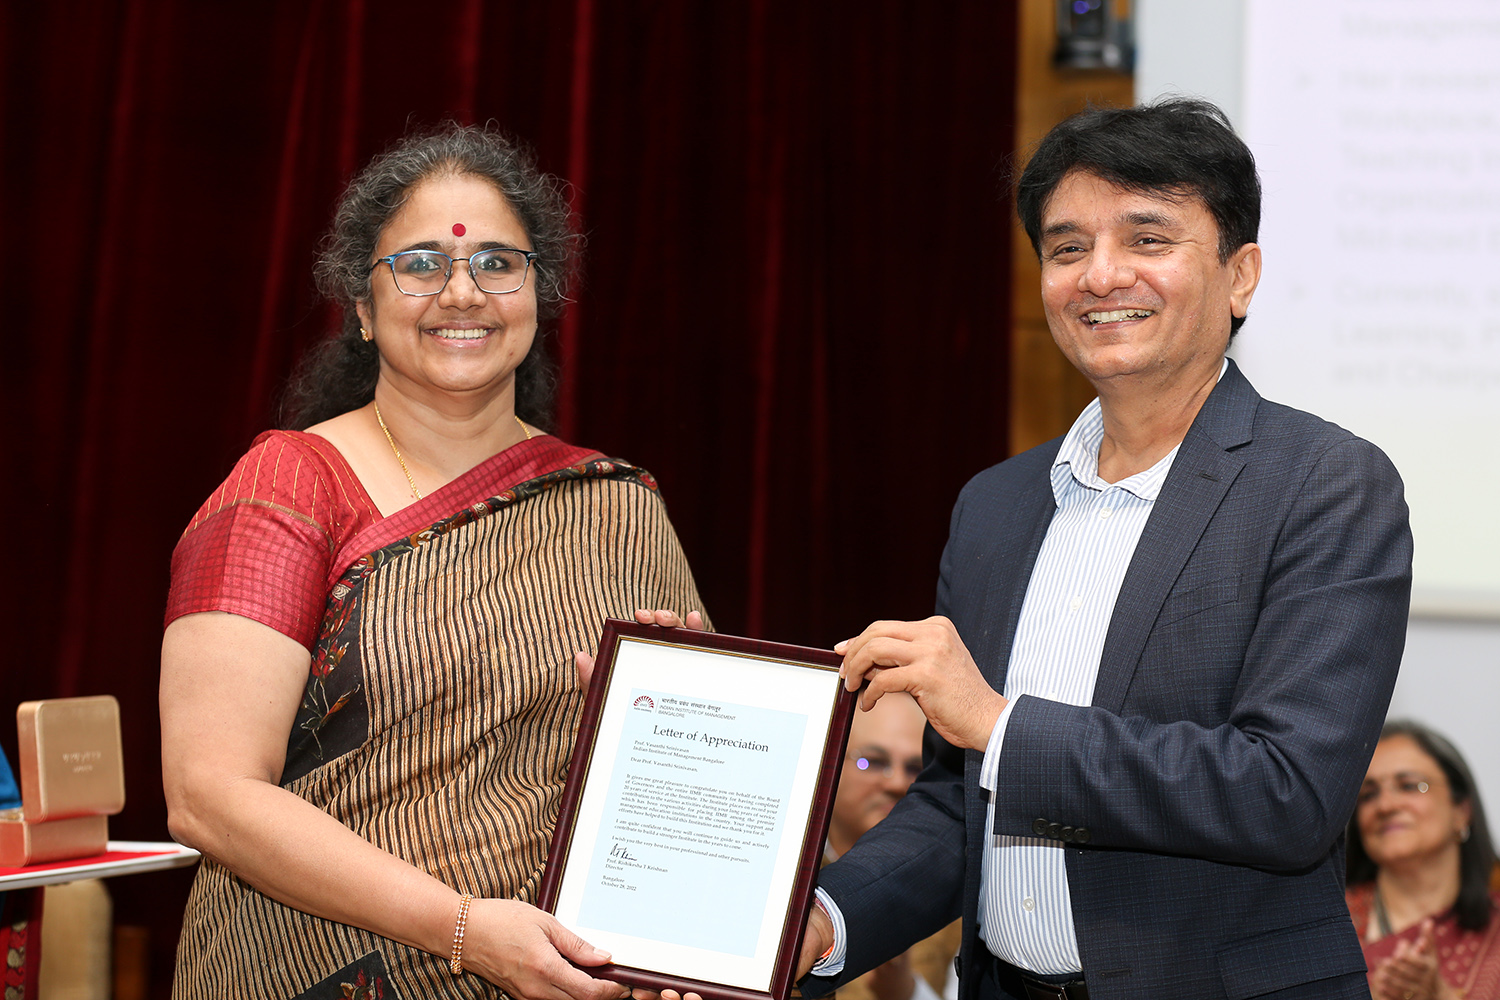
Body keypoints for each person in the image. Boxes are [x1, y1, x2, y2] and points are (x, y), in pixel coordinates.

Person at [795, 98, 1414, 1000]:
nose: (1100, 275)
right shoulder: (997, 503)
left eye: (1148, 238)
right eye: (1067, 247)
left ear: (1240, 277)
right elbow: (961, 796)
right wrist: (830, 918)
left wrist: (1000, 727)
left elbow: (1286, 791)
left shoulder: (1325, 484)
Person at [160, 124, 706, 1000]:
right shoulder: (290, 486)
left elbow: (686, 783)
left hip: (567, 973)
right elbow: (209, 792)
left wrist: (666, 713)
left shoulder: (618, 503)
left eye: (499, 262)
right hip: (311, 967)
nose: (463, 291)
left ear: (540, 295)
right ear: (364, 307)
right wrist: (462, 928)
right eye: (420, 264)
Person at [1347, 721, 1500, 1000]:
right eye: (1369, 795)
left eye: (1408, 785)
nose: (1386, 805)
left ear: (1461, 811)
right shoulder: (1329, 925)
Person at [827, 693, 960, 1000]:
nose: (897, 783)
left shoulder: (959, 889)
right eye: (873, 761)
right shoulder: (781, 875)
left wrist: (905, 991)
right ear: (830, 761)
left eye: (916, 768)